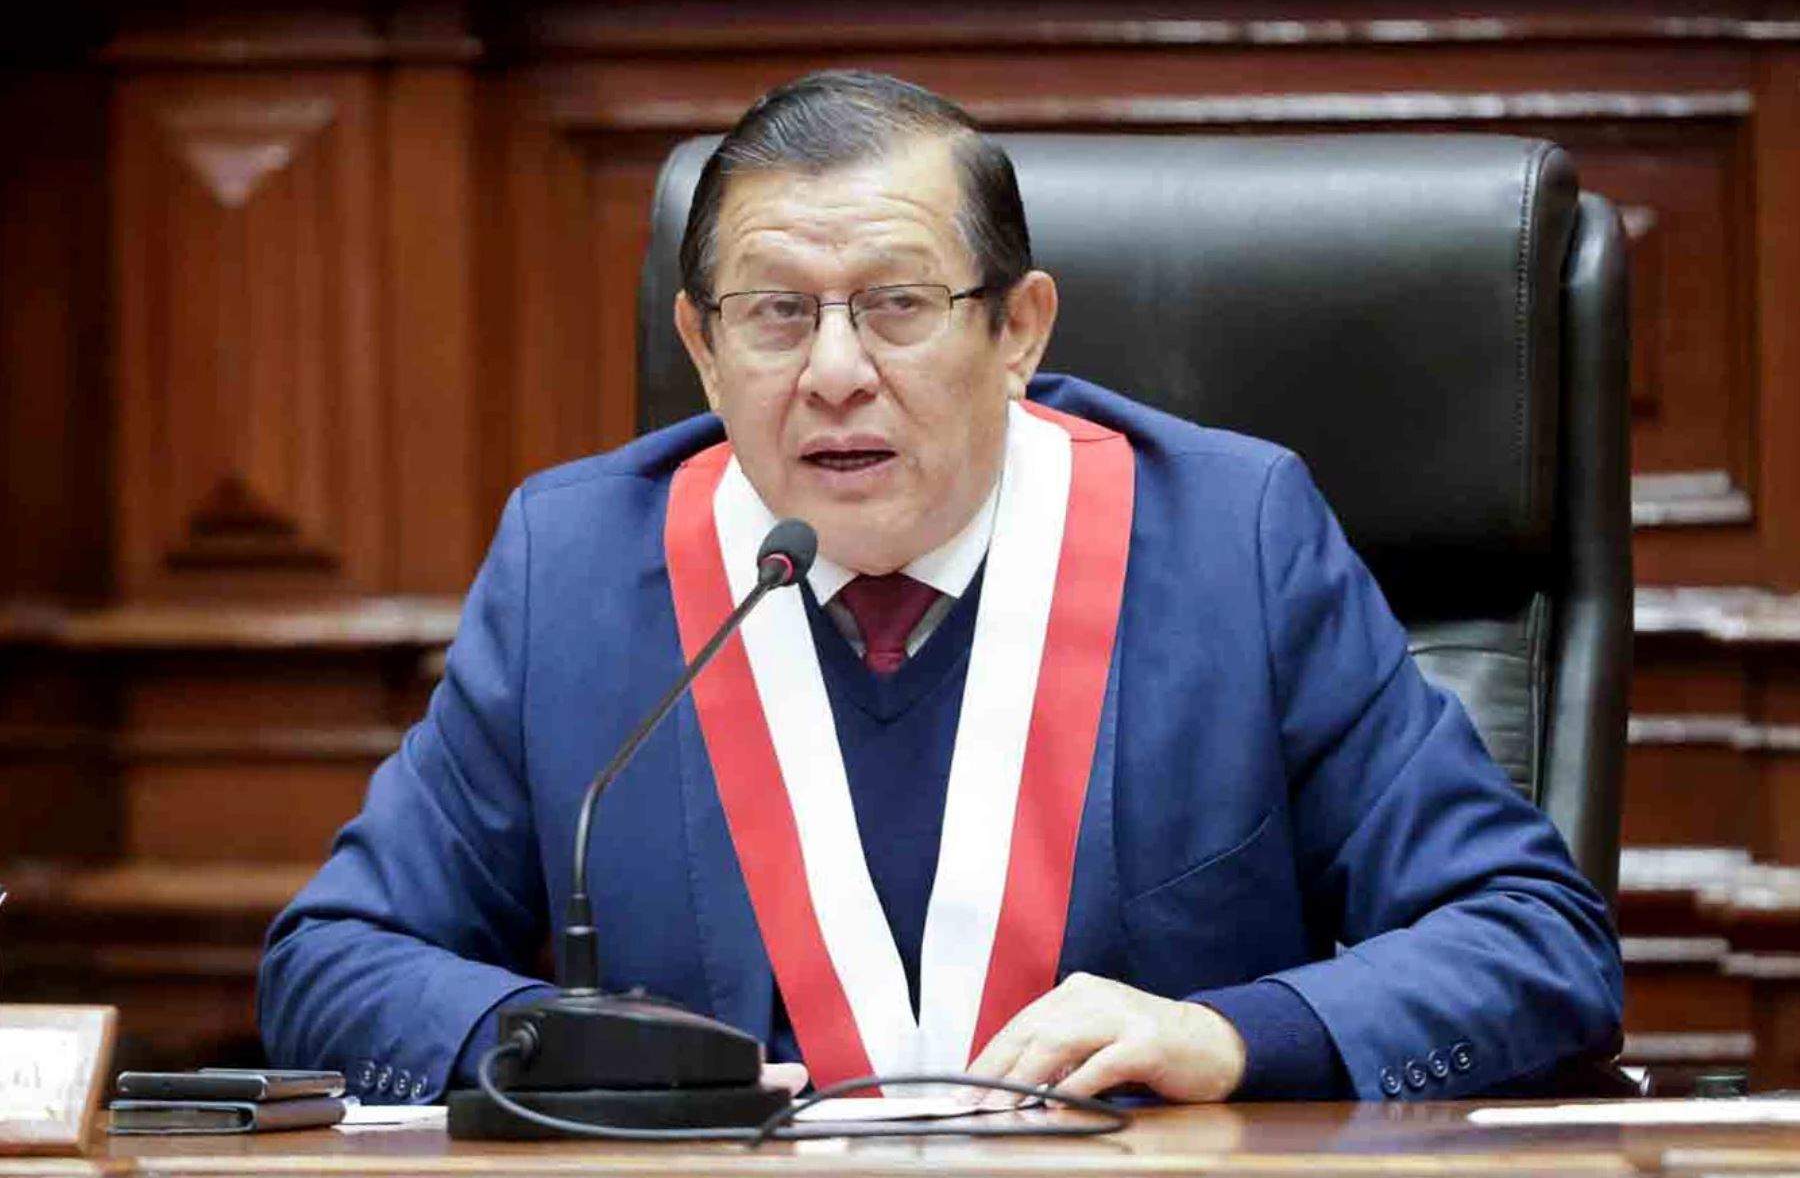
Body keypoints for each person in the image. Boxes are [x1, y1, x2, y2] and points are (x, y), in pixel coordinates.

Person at [259, 70, 1621, 1106]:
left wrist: (1231, 1034)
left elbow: (1533, 940)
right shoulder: (574, 570)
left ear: (1018, 328)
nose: (834, 372)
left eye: (898, 304)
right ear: (702, 346)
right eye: (776, 313)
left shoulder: (1231, 541)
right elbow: (332, 961)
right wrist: (565, 1055)